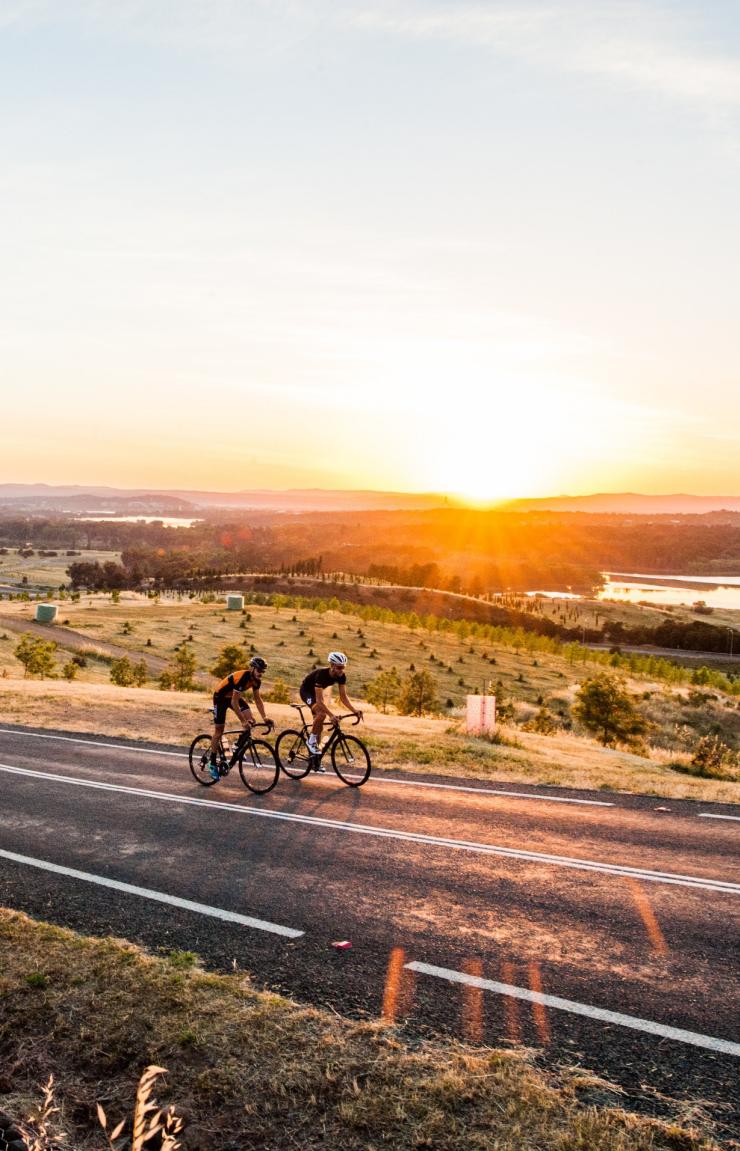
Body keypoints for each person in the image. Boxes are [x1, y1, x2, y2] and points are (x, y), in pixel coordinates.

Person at [210, 655, 273, 780]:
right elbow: (234, 702)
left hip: (233, 697)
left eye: (263, 671)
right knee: (219, 731)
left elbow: (257, 699)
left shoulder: (256, 681)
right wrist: (242, 721)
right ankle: (212, 764)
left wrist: (265, 717)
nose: (261, 673)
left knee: (251, 721)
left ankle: (236, 746)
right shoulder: (243, 678)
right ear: (252, 668)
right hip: (220, 698)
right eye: (259, 670)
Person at [299, 651, 363, 764]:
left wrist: (355, 710)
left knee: (319, 727)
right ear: (332, 665)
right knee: (321, 714)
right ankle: (310, 741)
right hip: (306, 691)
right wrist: (331, 715)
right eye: (339, 667)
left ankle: (315, 760)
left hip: (317, 693)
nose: (341, 670)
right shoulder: (321, 675)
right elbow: (319, 701)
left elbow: (343, 697)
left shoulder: (341, 676)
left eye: (343, 667)